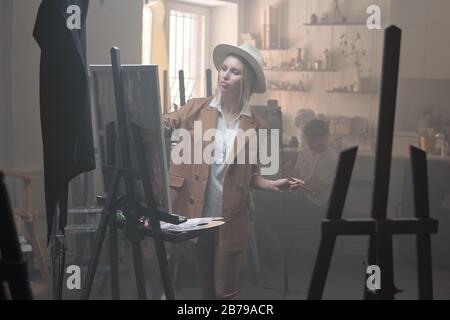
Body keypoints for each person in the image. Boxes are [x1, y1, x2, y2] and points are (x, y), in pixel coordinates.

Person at [163, 43, 299, 300]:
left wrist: (272, 185)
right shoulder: (196, 108)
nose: (225, 75)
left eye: (234, 71)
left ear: (246, 80)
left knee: (225, 293)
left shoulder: (259, 125)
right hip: (196, 213)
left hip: (231, 217)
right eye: (223, 68)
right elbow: (163, 122)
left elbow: (252, 176)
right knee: (206, 291)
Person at [290, 119, 338, 207]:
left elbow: (316, 189)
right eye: (308, 139)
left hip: (314, 203)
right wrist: (287, 172)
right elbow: (296, 174)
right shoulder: (305, 151)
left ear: (325, 137)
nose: (309, 143)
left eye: (313, 139)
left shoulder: (331, 159)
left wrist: (295, 179)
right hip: (300, 196)